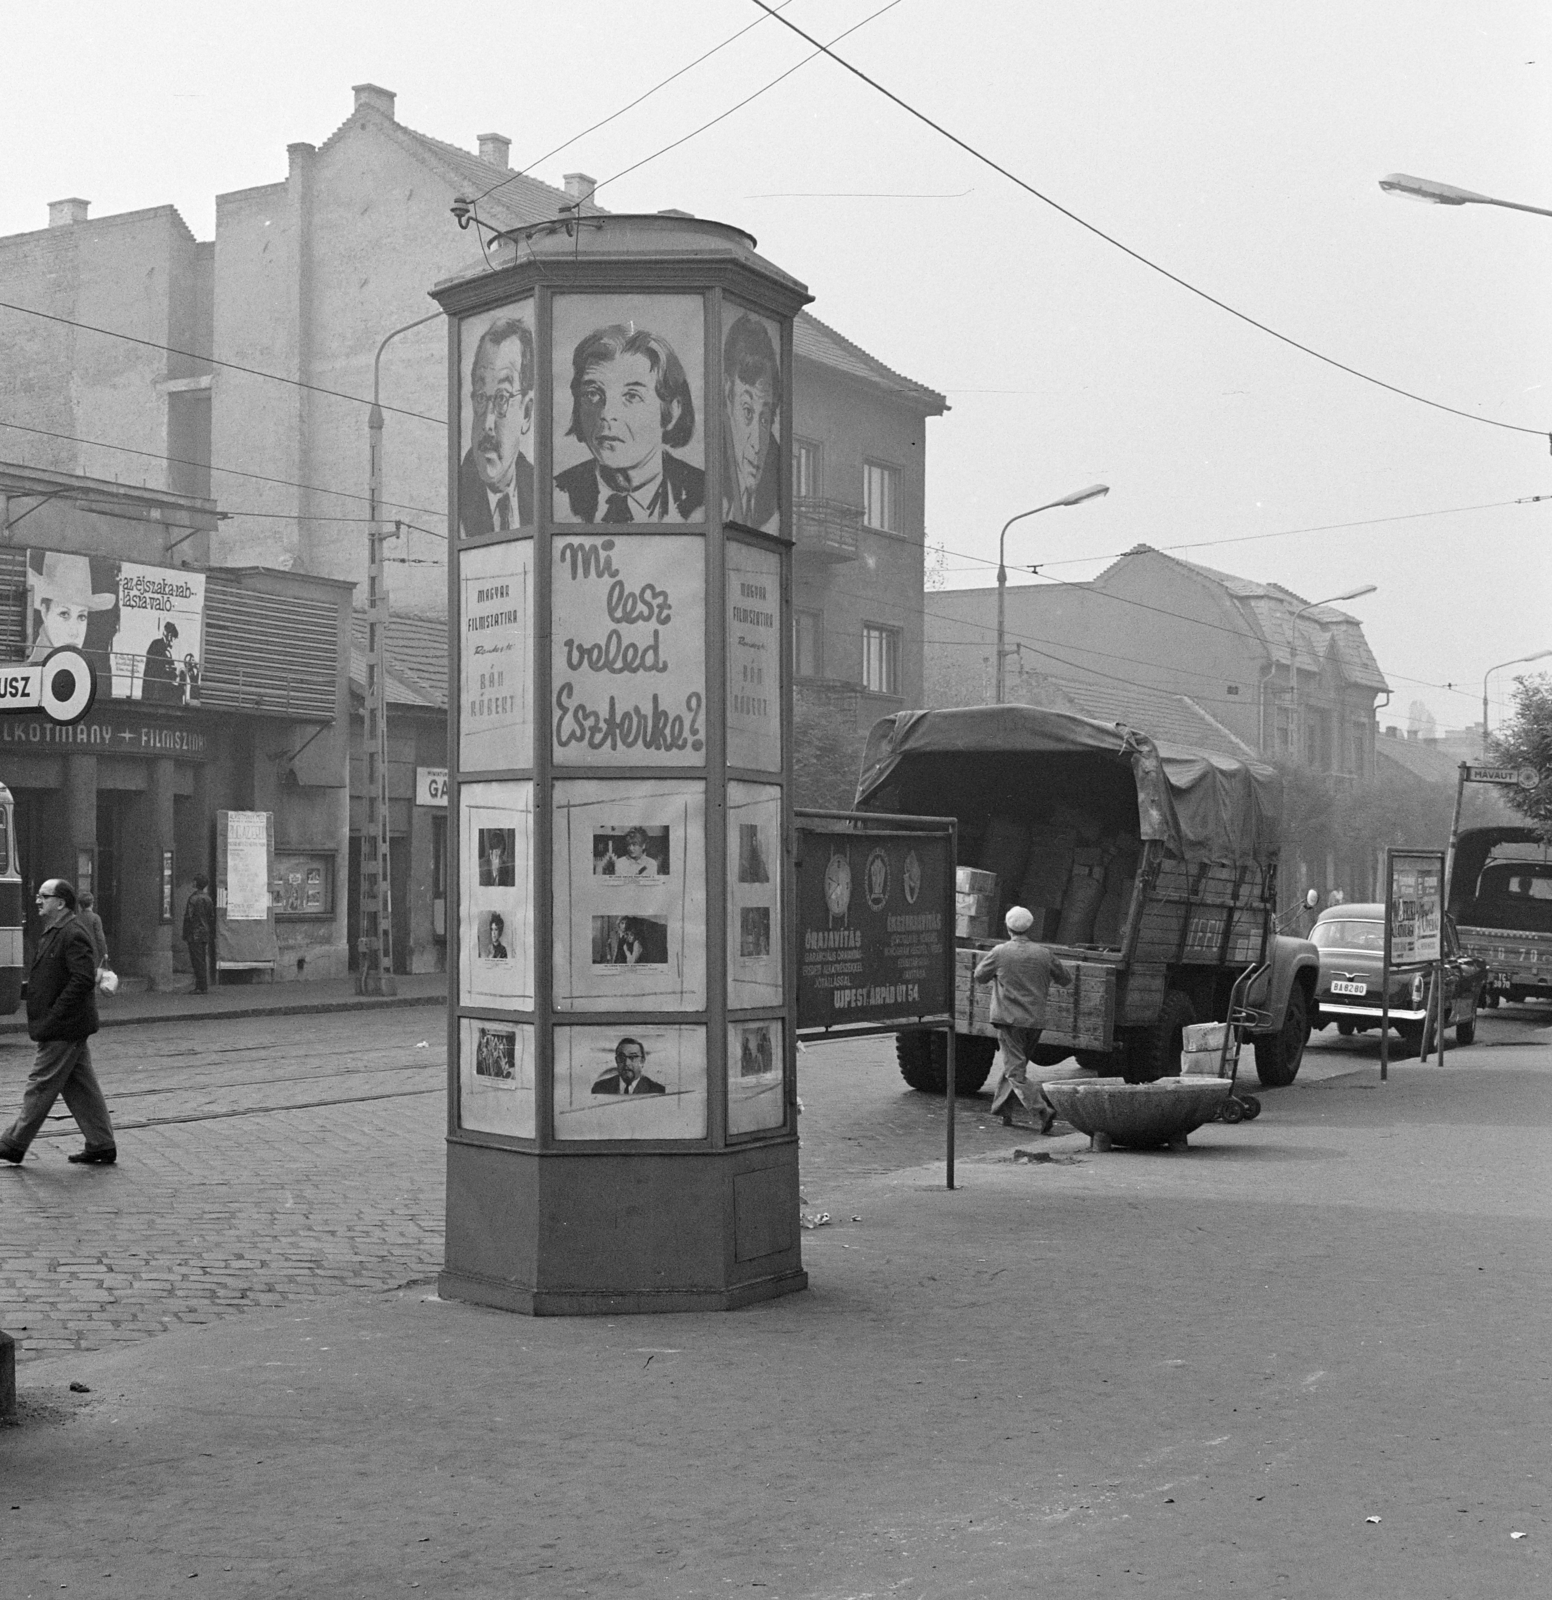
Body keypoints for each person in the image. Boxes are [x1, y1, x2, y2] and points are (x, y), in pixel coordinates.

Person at [0, 879, 116, 1166]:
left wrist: (55, 1014)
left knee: (41, 1083)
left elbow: (82, 979)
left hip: (63, 1026)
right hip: (64, 1024)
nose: (38, 900)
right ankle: (101, 1144)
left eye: (44, 896)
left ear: (60, 902)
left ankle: (13, 1143)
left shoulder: (72, 932)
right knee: (80, 1085)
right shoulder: (55, 931)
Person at [554, 324, 704, 523]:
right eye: (593, 394)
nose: (606, 414)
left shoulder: (704, 494)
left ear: (671, 411)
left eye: (631, 396)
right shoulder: (557, 493)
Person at [974, 905, 1074, 1132]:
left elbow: (980, 976)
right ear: (1030, 927)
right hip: (1034, 1022)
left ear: (1007, 927)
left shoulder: (1000, 952)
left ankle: (1042, 1111)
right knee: (1014, 1067)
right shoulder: (1044, 954)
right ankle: (1002, 1110)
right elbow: (1065, 979)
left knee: (1014, 1071)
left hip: (1009, 1021)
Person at [459, 316, 535, 535]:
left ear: (527, 412)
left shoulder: (541, 490)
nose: (487, 424)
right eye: (481, 397)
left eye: (502, 398)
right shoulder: (457, 493)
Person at [721, 313, 781, 533]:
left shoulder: (774, 497)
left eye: (764, 420)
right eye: (747, 411)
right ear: (728, 393)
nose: (757, 442)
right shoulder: (707, 467)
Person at [27, 551, 115, 662]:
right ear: (44, 613)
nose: (74, 633)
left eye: (82, 617)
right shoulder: (35, 669)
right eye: (64, 614)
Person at [592, 1037, 666, 1095]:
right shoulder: (600, 1088)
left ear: (642, 1061)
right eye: (621, 1057)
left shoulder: (657, 1090)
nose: (627, 1063)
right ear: (616, 1060)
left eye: (632, 1057)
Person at [182, 874, 216, 993]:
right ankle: (202, 985)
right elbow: (211, 917)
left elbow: (189, 917)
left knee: (196, 960)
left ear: (196, 883)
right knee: (201, 959)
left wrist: (185, 933)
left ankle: (200, 986)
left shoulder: (193, 898)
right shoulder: (208, 898)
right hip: (204, 932)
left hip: (194, 933)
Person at [142, 621, 180, 703]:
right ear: (169, 636)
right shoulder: (157, 645)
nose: (174, 642)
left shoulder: (163, 647)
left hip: (158, 687)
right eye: (174, 638)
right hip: (155, 689)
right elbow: (155, 667)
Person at [77, 890, 109, 974]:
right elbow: (100, 937)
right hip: (92, 952)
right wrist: (104, 952)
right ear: (92, 904)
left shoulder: (76, 918)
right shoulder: (95, 918)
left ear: (80, 905)